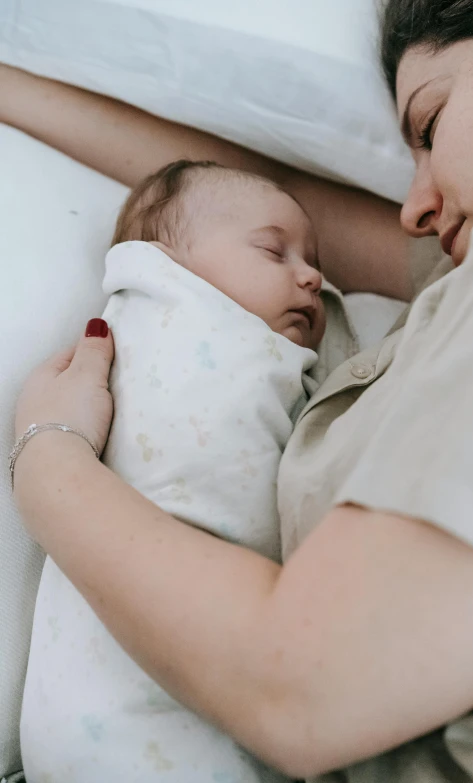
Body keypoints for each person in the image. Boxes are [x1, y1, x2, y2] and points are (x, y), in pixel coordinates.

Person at [5, 0, 473, 777]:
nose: (413, 207)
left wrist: (48, 461)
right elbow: (261, 192)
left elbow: (303, 688)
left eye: (430, 126)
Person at [21, 159, 327, 783]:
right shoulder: (161, 322)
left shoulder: (280, 364)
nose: (314, 276)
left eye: (311, 259)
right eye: (274, 251)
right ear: (161, 263)